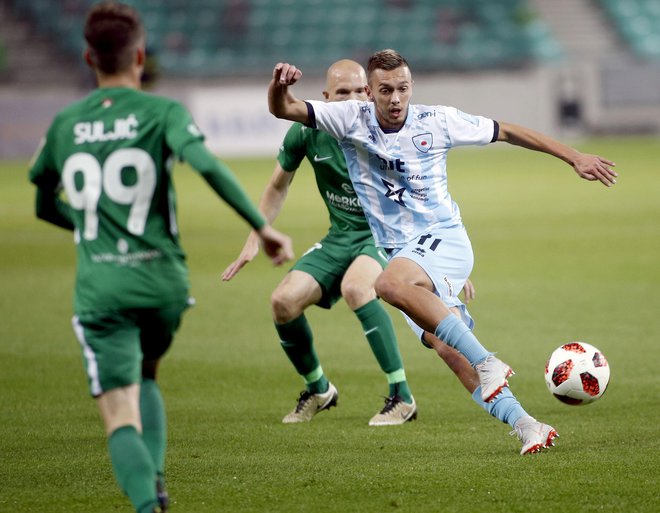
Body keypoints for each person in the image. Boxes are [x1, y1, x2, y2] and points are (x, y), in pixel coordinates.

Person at [267, 49, 618, 454]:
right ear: (371, 92)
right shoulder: (348, 118)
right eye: (386, 90)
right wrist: (278, 87)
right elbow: (284, 109)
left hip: (443, 238)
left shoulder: (437, 121)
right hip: (405, 253)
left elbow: (507, 131)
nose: (396, 98)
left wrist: (574, 157)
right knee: (450, 351)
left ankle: (488, 362)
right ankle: (528, 425)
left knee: (387, 284)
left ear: (410, 86)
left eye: (403, 88)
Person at [28, 2, 293, 513]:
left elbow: (42, 199)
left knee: (119, 410)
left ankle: (149, 503)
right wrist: (262, 227)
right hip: (163, 284)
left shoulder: (65, 124)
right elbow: (208, 166)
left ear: (88, 57)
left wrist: (86, 229)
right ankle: (157, 483)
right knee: (147, 373)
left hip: (104, 288)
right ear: (141, 56)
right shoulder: (163, 112)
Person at [222, 59, 418, 426]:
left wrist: (442, 260)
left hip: (383, 236)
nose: (352, 99)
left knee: (357, 288)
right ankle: (319, 388)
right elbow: (278, 185)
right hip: (339, 237)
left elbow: (424, 197)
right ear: (326, 98)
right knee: (283, 302)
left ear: (370, 93)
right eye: (342, 92)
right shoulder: (307, 132)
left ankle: (402, 396)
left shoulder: (390, 132)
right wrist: (256, 235)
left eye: (359, 91)